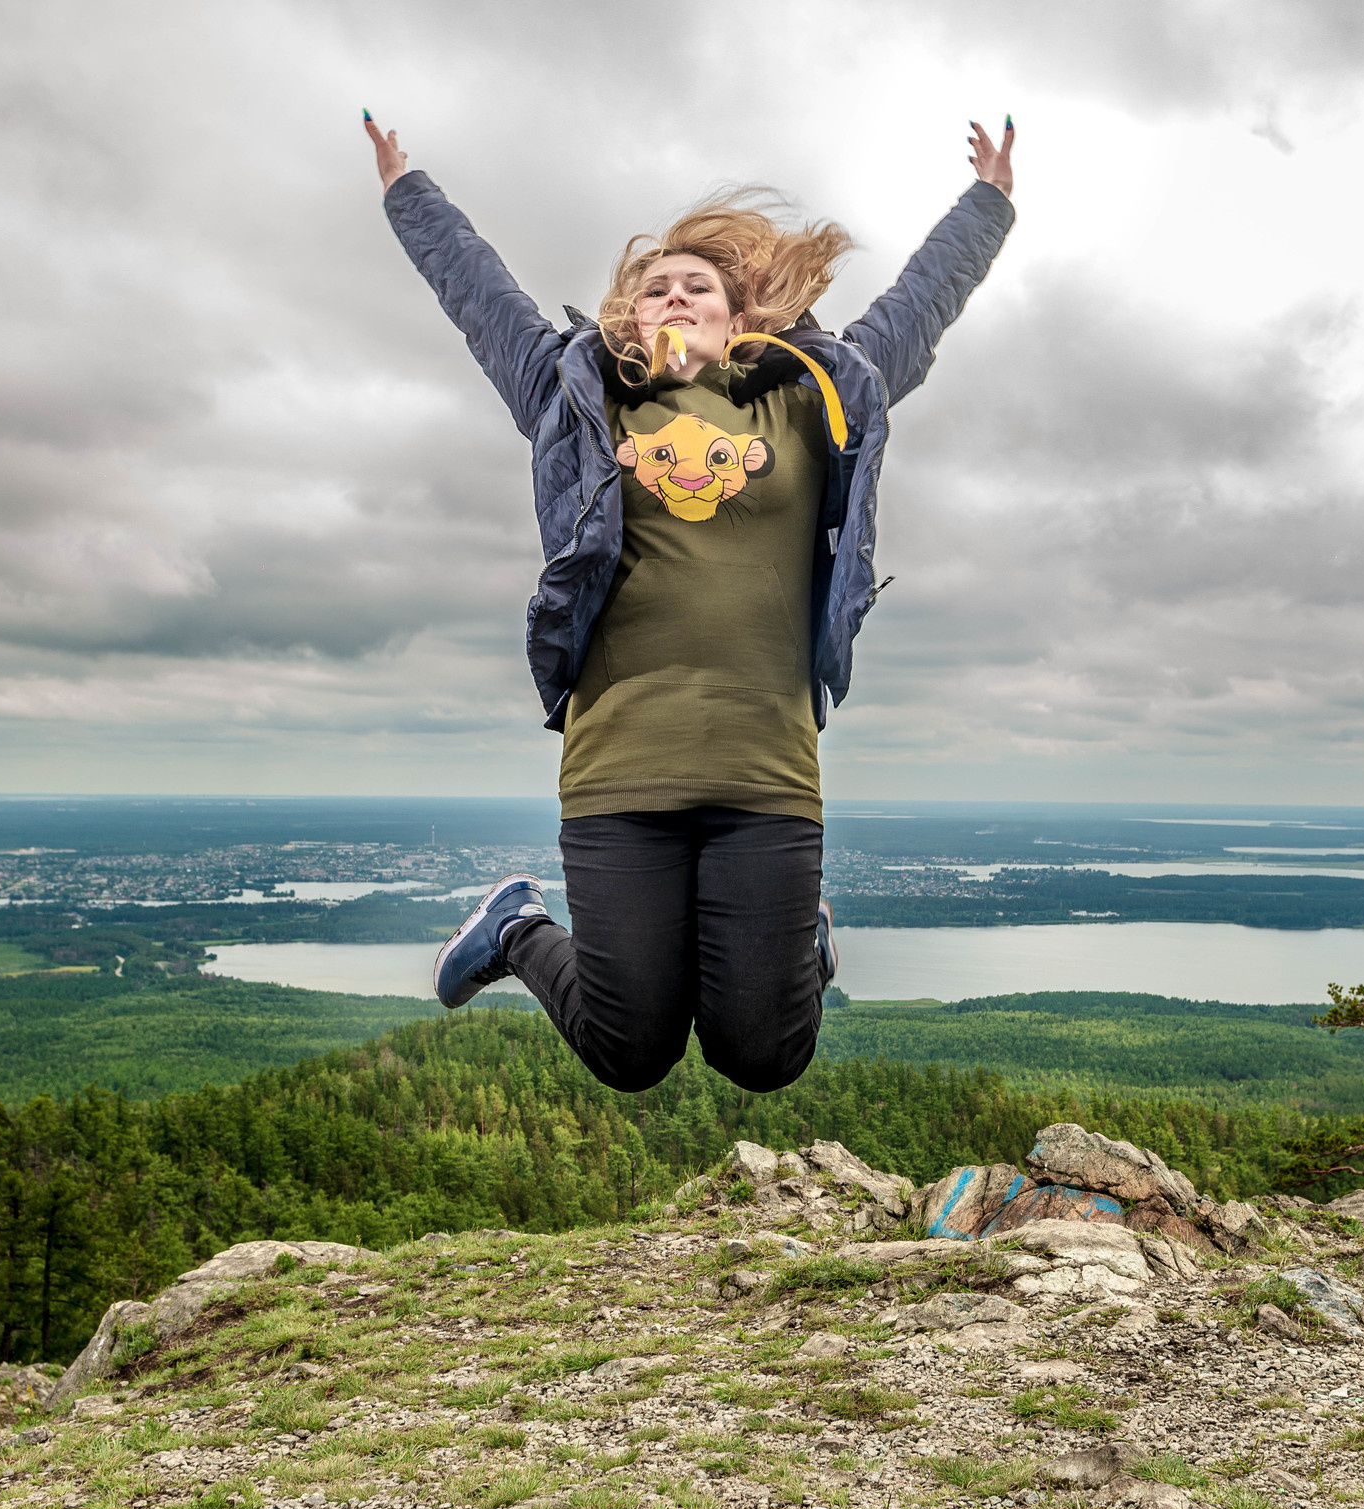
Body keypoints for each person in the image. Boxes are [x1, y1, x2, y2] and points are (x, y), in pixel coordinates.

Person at [374, 111, 1016, 1094]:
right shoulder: (574, 394)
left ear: (737, 314)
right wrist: (405, 191)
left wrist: (989, 204)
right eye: (651, 289)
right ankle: (513, 927)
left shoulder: (815, 393)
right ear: (628, 319)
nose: (670, 296)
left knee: (764, 1054)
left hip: (765, 774)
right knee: (629, 1050)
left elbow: (919, 307)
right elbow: (478, 292)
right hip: (618, 774)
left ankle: (805, 939)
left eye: (695, 286)